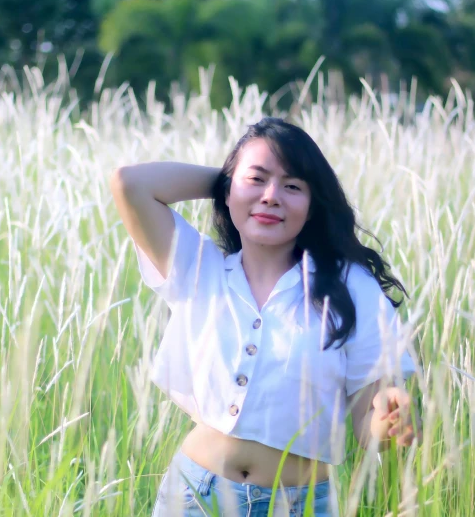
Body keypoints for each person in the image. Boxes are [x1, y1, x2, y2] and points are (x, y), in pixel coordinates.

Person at [110, 117, 423, 517]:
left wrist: (387, 418)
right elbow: (129, 184)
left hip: (299, 505)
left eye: (292, 186)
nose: (272, 197)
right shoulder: (198, 267)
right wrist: (230, 182)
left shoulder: (351, 287)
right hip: (194, 496)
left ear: (312, 207)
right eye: (257, 180)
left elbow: (368, 427)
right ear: (228, 191)